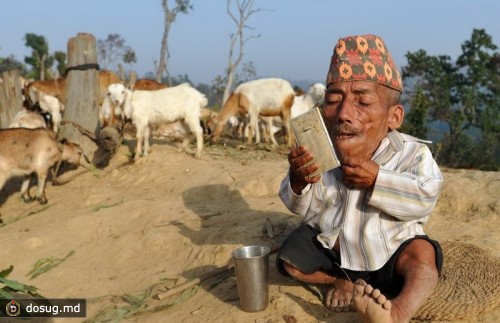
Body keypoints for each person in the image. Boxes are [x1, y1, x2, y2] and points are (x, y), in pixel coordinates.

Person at [278, 34, 444, 323]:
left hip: (389, 253)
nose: (343, 114)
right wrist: (298, 181)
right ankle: (340, 282)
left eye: (363, 102)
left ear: (393, 117)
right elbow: (304, 208)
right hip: (336, 256)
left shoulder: (412, 153)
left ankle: (397, 312)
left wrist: (379, 180)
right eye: (333, 100)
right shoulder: (320, 149)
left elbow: (425, 199)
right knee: (289, 258)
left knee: (423, 257)